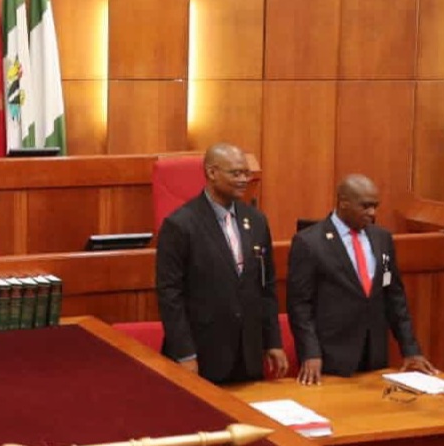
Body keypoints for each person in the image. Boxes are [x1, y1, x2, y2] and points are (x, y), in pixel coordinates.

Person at [155, 143, 288, 384]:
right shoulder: (181, 225)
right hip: (203, 354)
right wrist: (185, 353)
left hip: (247, 355)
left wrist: (273, 342)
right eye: (235, 173)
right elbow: (170, 296)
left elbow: (266, 286)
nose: (243, 180)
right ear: (212, 173)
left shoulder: (256, 220)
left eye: (246, 173)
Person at [287, 174, 436, 385]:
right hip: (331, 355)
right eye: (365, 206)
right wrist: (310, 352)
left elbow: (394, 297)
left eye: (375, 206)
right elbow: (300, 305)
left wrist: (410, 350)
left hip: (374, 352)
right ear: (344, 202)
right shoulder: (310, 242)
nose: (372, 213)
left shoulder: (382, 239)